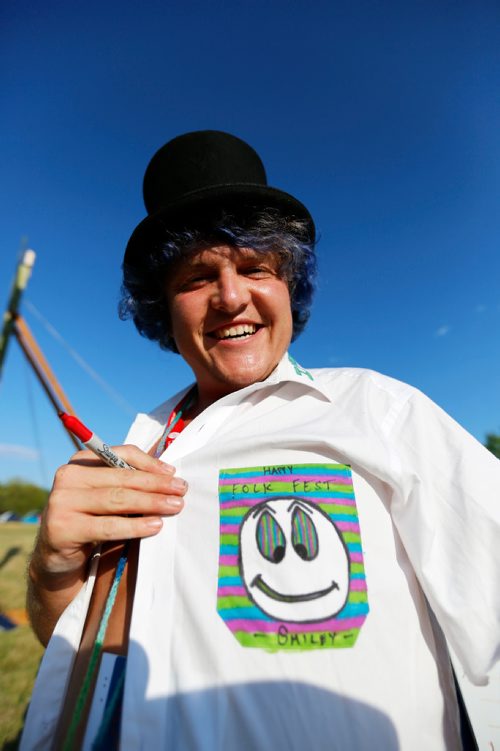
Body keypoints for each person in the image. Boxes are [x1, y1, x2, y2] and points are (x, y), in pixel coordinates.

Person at [22, 131, 499, 750]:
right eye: (196, 277)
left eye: (255, 267)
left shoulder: (378, 410)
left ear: (288, 286)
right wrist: (52, 572)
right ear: (163, 307)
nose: (230, 295)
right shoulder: (137, 446)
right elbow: (73, 653)